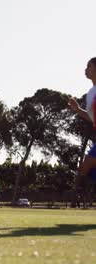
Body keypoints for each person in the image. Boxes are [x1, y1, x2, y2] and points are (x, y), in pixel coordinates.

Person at [68, 57, 96, 204]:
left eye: (89, 66)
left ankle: (78, 195)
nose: (86, 69)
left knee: (87, 164)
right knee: (87, 169)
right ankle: (80, 196)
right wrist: (78, 109)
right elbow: (92, 118)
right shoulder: (91, 93)